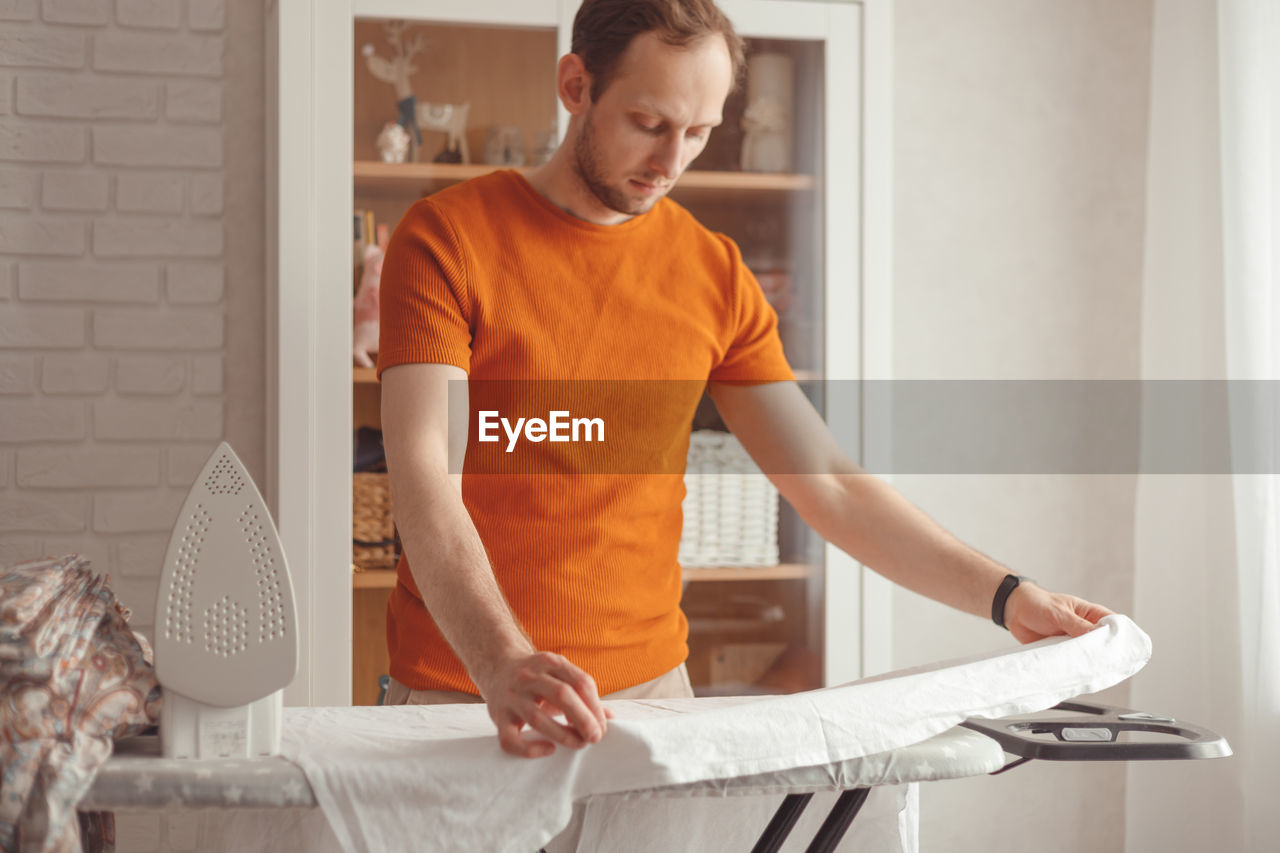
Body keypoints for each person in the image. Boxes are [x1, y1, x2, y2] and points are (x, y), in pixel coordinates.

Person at [376, 0, 1114, 759]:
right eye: (649, 122)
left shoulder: (713, 271)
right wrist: (502, 660)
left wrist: (1005, 595)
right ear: (575, 85)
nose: (671, 162)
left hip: (653, 699)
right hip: (463, 690)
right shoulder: (447, 238)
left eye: (697, 133)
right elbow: (426, 476)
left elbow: (826, 480)